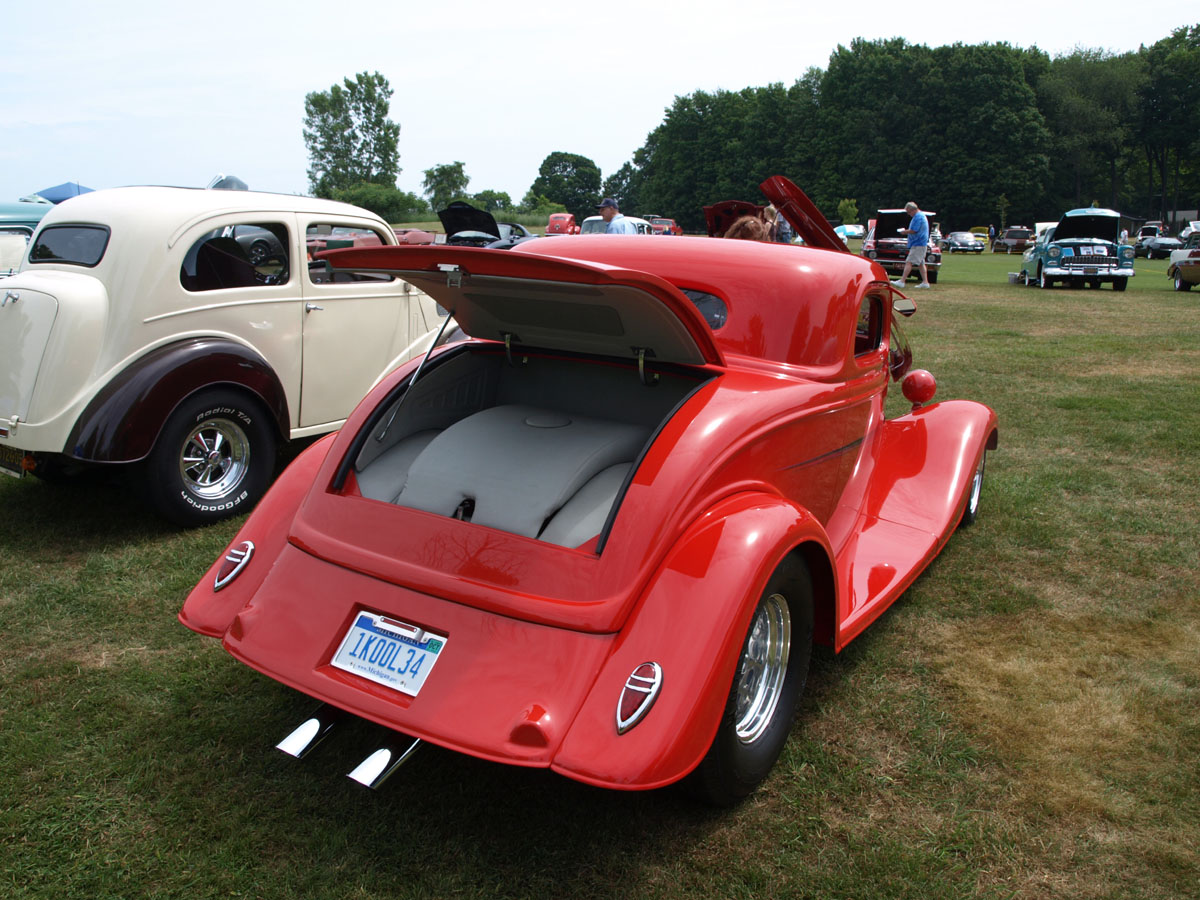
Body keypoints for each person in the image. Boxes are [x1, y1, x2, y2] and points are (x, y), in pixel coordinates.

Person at [893, 201, 931, 289]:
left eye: (908, 212)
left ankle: (902, 281)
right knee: (921, 263)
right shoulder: (920, 215)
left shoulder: (918, 217)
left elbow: (914, 230)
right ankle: (925, 282)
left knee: (909, 261)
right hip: (920, 243)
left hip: (918, 243)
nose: (908, 214)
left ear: (912, 210)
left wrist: (904, 232)